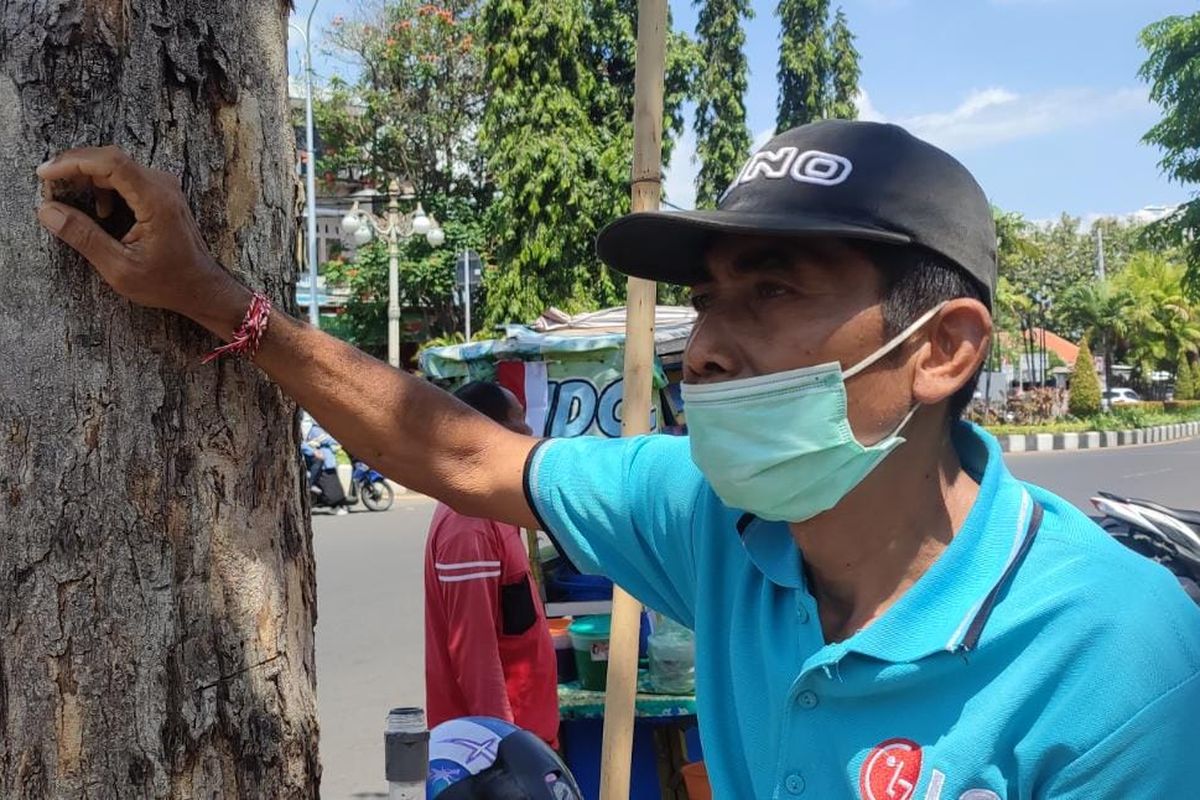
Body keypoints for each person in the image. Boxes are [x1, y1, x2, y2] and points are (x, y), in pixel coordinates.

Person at [36, 123, 1200, 799]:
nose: (712, 349)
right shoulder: (714, 521)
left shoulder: (1118, 660)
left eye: (775, 292)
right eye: (706, 301)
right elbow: (460, 450)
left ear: (942, 348)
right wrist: (206, 294)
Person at [424, 381, 559, 749]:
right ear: (489, 431)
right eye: (518, 421)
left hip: (526, 739)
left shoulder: (492, 508)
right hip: (496, 751)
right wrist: (505, 749)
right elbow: (475, 654)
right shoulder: (469, 526)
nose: (529, 432)